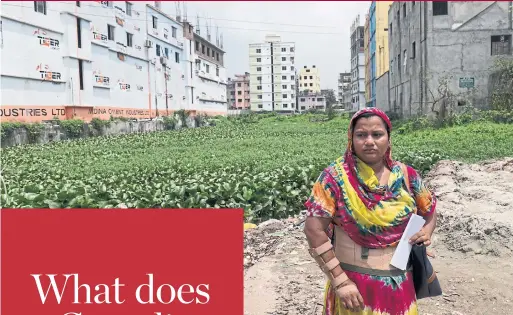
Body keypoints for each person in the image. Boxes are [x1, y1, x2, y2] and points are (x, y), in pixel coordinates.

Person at [303, 108, 437, 315]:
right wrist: (340, 282)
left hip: (400, 285)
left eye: (377, 134)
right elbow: (313, 230)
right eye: (361, 135)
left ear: (388, 139)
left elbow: (428, 209)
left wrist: (427, 231)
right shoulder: (334, 178)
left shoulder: (406, 175)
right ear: (351, 139)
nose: (369, 141)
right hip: (354, 289)